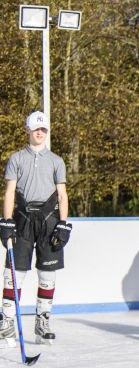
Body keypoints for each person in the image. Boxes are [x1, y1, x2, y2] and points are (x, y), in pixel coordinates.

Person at [1, 112, 71, 346]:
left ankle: (42, 322)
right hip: (22, 218)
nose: (40, 133)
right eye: (36, 129)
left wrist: (63, 224)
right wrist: (6, 221)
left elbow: (62, 194)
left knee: (47, 274)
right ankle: (7, 323)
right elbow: (10, 192)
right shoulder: (17, 158)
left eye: (43, 129)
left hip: (49, 220)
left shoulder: (56, 161)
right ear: (28, 130)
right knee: (14, 273)